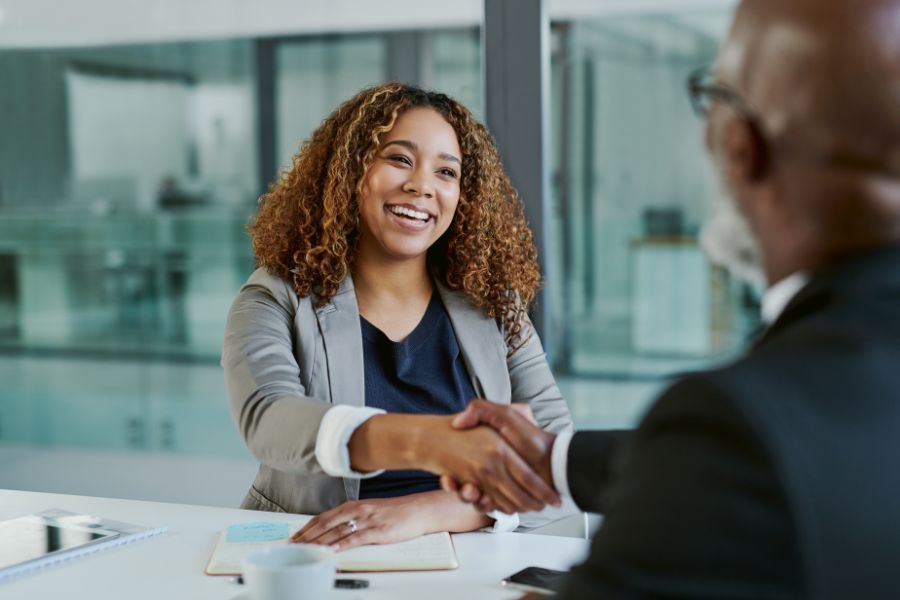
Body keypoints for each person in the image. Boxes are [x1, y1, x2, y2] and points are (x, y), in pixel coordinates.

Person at [427, 0, 900, 597]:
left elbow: (736, 463)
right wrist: (557, 461)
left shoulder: (737, 429)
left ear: (740, 145)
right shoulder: (797, 414)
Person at [222, 82, 574, 551]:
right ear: (351, 171)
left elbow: (555, 461)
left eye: (446, 172)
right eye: (399, 159)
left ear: (463, 196)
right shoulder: (276, 297)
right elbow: (268, 420)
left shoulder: (494, 305)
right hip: (319, 554)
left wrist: (423, 512)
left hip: (467, 558)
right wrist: (430, 442)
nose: (422, 186)